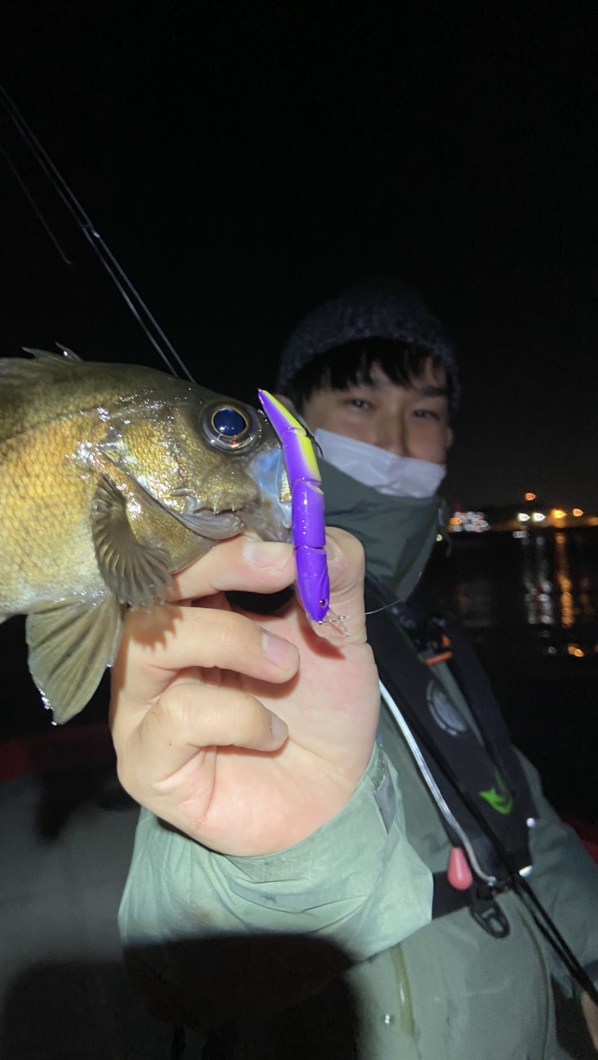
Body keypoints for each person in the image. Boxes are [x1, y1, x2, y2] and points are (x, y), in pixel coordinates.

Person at [109, 278, 598, 1058]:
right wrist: (284, 858)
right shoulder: (236, 612)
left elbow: (525, 813)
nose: (398, 443)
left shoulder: (428, 627)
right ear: (292, 428)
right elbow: (179, 970)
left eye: (426, 413)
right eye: (362, 406)